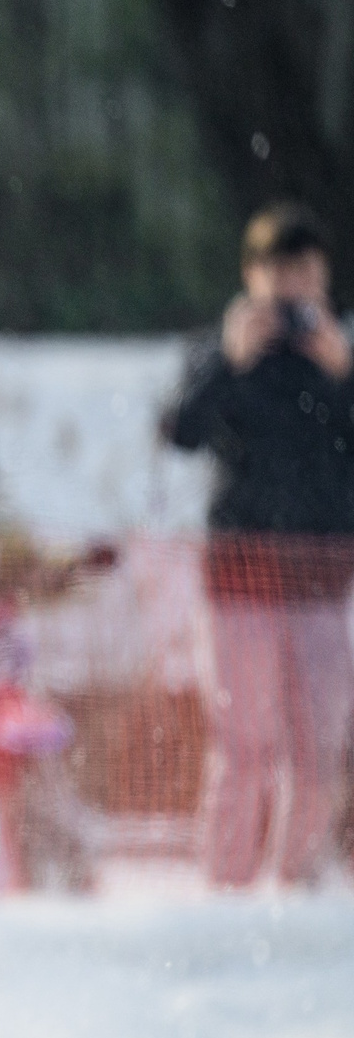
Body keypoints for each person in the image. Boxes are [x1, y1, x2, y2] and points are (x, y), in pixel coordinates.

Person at [164, 204, 354, 889]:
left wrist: (341, 372)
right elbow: (179, 429)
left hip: (324, 585)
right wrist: (228, 358)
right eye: (279, 270)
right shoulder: (223, 350)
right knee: (244, 746)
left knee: (319, 751)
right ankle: (227, 891)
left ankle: (298, 883)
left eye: (304, 269)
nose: (293, 285)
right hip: (240, 581)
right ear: (252, 277)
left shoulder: (336, 357)